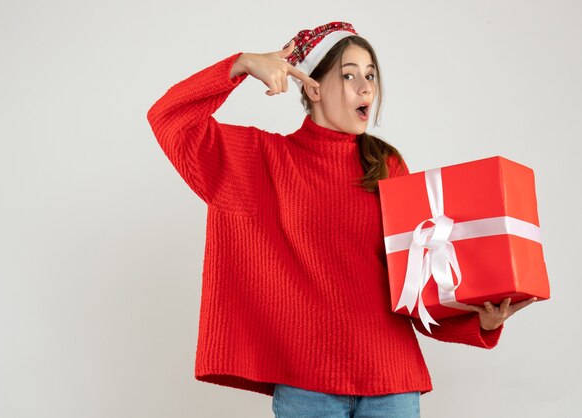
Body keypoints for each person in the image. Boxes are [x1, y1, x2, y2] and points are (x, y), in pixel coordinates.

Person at [147, 21, 536, 418]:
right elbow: (169, 119)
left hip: (393, 382)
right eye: (349, 75)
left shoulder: (386, 164)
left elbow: (414, 282)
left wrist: (481, 322)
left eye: (371, 75)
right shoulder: (259, 160)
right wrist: (242, 65)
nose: (366, 87)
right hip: (306, 388)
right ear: (313, 88)